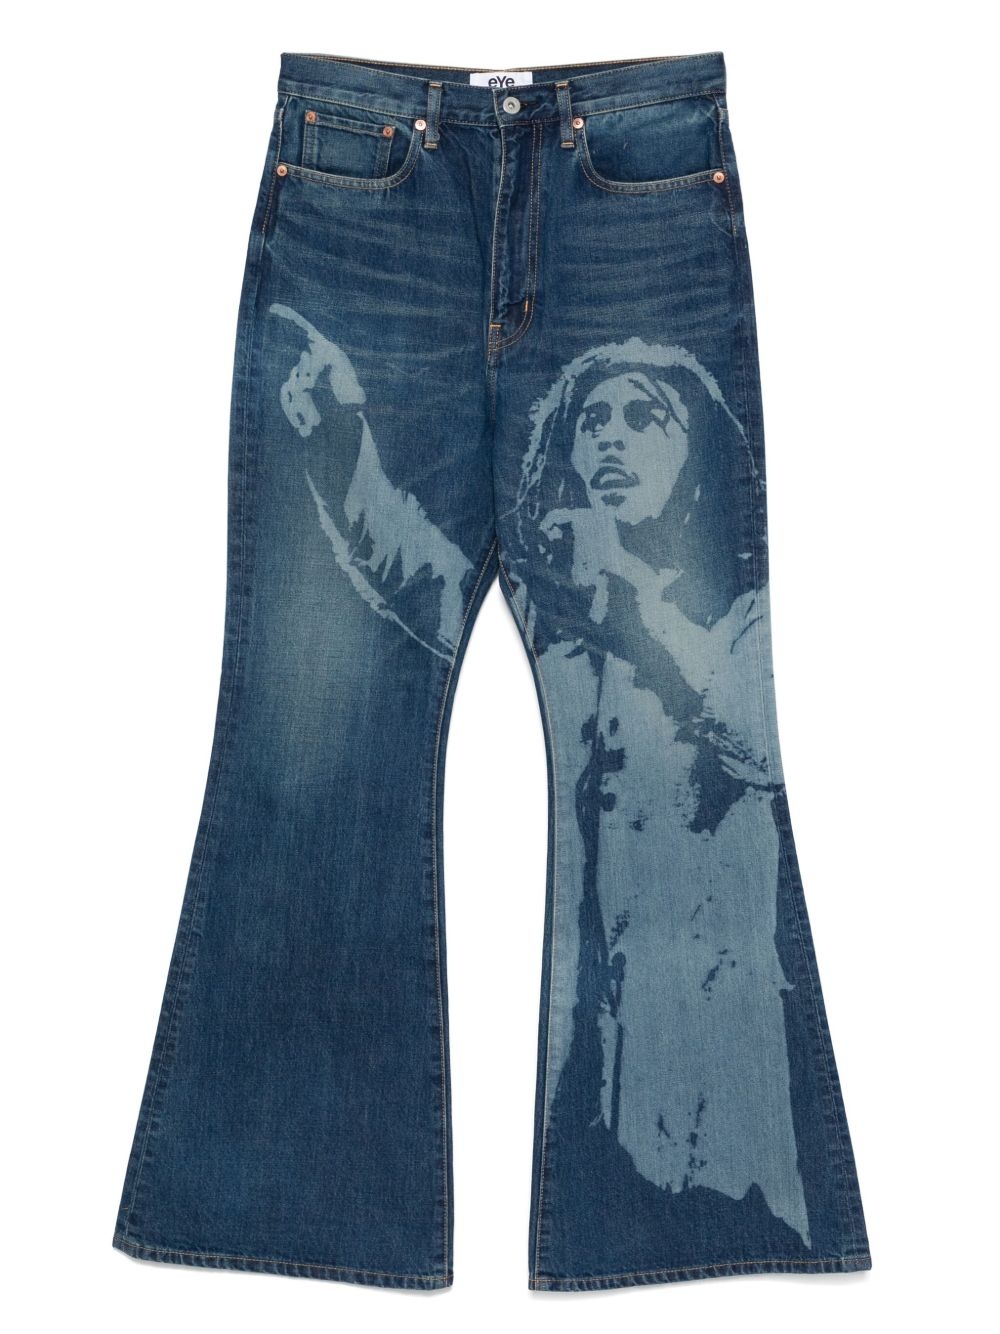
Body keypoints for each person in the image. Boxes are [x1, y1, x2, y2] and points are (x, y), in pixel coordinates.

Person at [502, 339, 813, 1249]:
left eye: (644, 417)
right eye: (592, 420)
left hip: (717, 1071)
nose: (611, 437)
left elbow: (754, 745)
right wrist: (344, 449)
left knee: (729, 1222)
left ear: (699, 447)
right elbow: (425, 586)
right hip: (597, 1069)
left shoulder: (734, 610)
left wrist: (630, 589)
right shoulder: (571, 629)